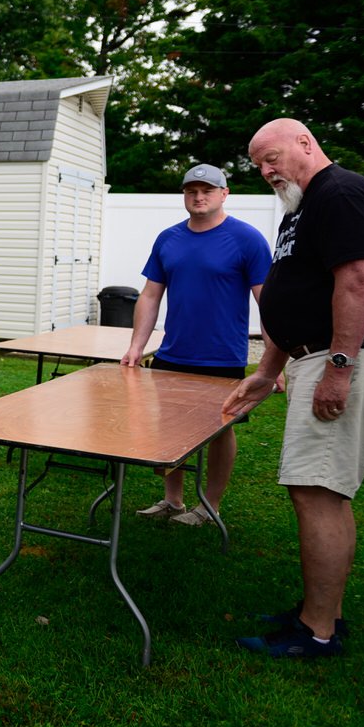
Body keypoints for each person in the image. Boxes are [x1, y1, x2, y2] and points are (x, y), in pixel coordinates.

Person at [224, 118, 364, 658]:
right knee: (322, 491)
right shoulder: (301, 208)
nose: (266, 171)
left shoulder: (340, 192)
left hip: (341, 358)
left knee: (317, 491)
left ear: (305, 143)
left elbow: (360, 282)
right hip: (313, 356)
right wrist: (269, 371)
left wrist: (339, 367)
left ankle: (316, 633)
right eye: (257, 165)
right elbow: (297, 295)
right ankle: (324, 615)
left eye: (271, 158)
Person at [120, 163, 271, 526]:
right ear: (184, 195)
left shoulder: (247, 239)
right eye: (191, 191)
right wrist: (137, 346)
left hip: (222, 358)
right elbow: (151, 295)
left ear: (224, 194)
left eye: (207, 190)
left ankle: (209, 506)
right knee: (171, 427)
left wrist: (273, 357)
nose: (199, 197)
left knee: (220, 432)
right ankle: (173, 501)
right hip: (172, 354)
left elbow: (267, 301)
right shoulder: (168, 238)